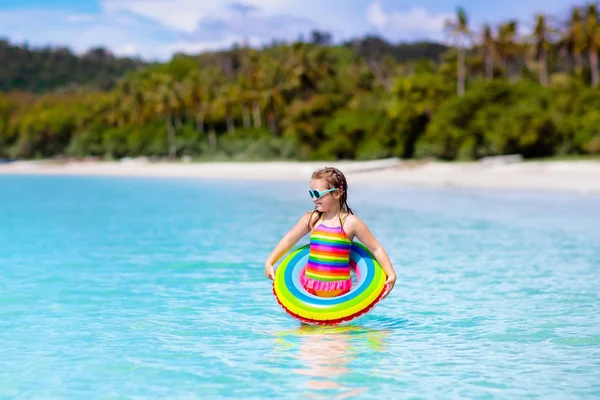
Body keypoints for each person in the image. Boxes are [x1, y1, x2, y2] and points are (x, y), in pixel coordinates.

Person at [265, 167, 396, 299]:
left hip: (338, 292)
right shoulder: (312, 219)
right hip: (309, 288)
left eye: (317, 194)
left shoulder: (351, 223)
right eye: (311, 194)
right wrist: (270, 262)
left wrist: (390, 273)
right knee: (306, 320)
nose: (314, 199)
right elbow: (289, 239)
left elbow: (375, 247)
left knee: (340, 320)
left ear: (337, 193)